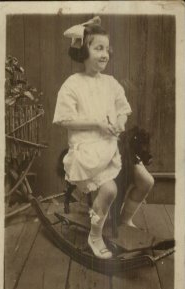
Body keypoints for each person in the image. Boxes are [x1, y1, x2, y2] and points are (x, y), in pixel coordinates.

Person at [53, 16, 154, 259]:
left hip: (112, 146)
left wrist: (119, 123)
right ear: (82, 51)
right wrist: (97, 124)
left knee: (146, 181)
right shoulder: (72, 84)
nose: (105, 54)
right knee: (108, 190)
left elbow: (122, 110)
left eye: (107, 49)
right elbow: (64, 120)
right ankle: (95, 235)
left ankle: (124, 221)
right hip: (87, 149)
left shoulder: (110, 83)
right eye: (98, 48)